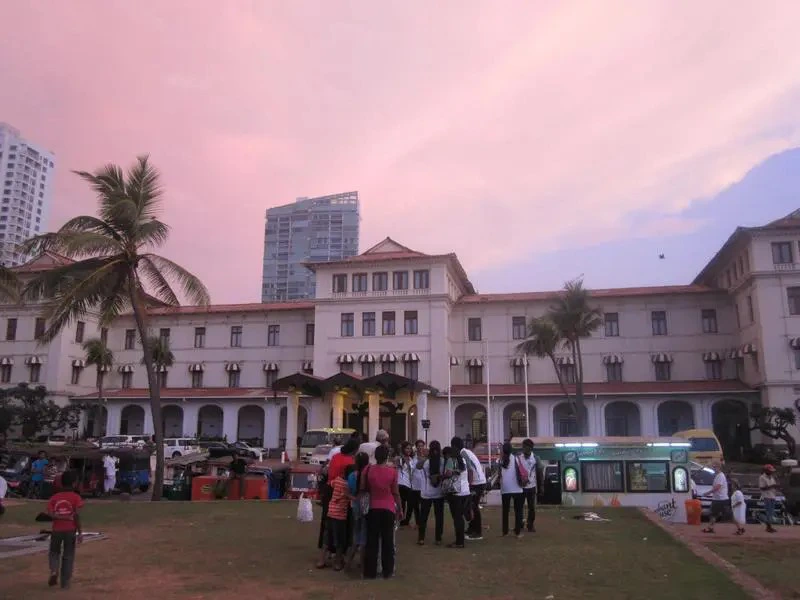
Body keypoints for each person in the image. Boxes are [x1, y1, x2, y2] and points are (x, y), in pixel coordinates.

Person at [362, 444, 402, 579]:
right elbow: (395, 493)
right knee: (388, 542)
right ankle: (388, 571)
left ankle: (370, 572)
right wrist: (400, 509)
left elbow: (363, 488)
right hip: (388, 508)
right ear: (387, 457)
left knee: (372, 542)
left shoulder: (368, 470)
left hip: (373, 508)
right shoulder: (392, 471)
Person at [46, 470, 84, 590]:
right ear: (74, 483)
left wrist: (60, 517)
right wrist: (80, 532)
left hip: (56, 530)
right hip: (70, 530)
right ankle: (65, 582)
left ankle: (53, 570)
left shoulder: (54, 498)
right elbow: (76, 516)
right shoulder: (76, 497)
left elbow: (50, 514)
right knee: (68, 555)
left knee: (54, 552)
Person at [322, 463, 352, 570]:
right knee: (339, 540)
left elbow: (331, 484)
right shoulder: (347, 485)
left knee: (327, 537)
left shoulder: (338, 480)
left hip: (331, 511)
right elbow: (348, 496)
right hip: (340, 515)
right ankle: (337, 562)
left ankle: (322, 560)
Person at [444, 437, 470, 549]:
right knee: (460, 518)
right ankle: (461, 540)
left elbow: (448, 473)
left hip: (455, 492)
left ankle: (459, 542)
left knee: (457, 518)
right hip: (465, 491)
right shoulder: (463, 459)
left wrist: (444, 475)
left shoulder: (451, 460)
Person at [417, 441, 444, 546]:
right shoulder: (442, 461)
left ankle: (421, 538)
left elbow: (417, 466)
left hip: (426, 493)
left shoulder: (426, 462)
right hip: (439, 493)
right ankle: (438, 538)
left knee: (423, 516)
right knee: (439, 517)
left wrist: (425, 456)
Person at [346, 452, 370, 570]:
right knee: (365, 536)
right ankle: (363, 563)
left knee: (356, 534)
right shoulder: (368, 474)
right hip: (367, 507)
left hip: (355, 507)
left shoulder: (351, 476)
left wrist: (355, 499)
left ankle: (349, 562)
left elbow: (347, 492)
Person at [461, 441, 487, 540]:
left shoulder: (463, 453)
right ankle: (471, 528)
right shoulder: (466, 452)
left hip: (477, 483)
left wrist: (469, 485)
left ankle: (478, 532)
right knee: (469, 506)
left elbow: (470, 469)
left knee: (474, 507)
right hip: (477, 482)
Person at [499, 442, 524, 538]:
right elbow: (521, 471)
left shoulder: (500, 460)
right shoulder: (517, 459)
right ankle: (517, 532)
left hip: (505, 489)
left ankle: (505, 532)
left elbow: (499, 474)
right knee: (518, 511)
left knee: (505, 511)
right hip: (517, 488)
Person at [702, 462, 728, 534]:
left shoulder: (720, 476)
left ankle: (740, 528)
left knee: (716, 514)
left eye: (715, 467)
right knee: (713, 514)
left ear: (719, 468)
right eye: (713, 467)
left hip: (720, 499)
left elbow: (717, 487)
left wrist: (708, 493)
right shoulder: (718, 476)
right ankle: (710, 528)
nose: (714, 468)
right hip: (718, 498)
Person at [519, 439, 538, 533]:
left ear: (530, 448)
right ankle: (520, 524)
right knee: (519, 507)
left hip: (532, 487)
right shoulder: (519, 458)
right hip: (521, 487)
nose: (523, 449)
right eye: (523, 447)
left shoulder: (535, 458)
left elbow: (539, 472)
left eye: (525, 447)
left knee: (532, 507)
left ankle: (530, 525)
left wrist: (541, 486)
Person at [397, 441, 415, 527]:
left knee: (411, 503)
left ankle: (406, 521)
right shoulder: (400, 459)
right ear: (403, 449)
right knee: (402, 503)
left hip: (409, 484)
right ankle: (402, 521)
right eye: (407, 448)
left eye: (410, 448)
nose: (409, 450)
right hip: (401, 483)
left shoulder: (411, 459)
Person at [759, 464, 779, 533]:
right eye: (770, 471)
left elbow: (774, 486)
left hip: (772, 496)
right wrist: (772, 486)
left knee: (771, 512)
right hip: (767, 496)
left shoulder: (772, 477)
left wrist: (777, 486)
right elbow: (762, 488)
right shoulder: (762, 477)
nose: (772, 472)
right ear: (766, 470)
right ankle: (769, 527)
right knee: (768, 512)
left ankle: (769, 527)